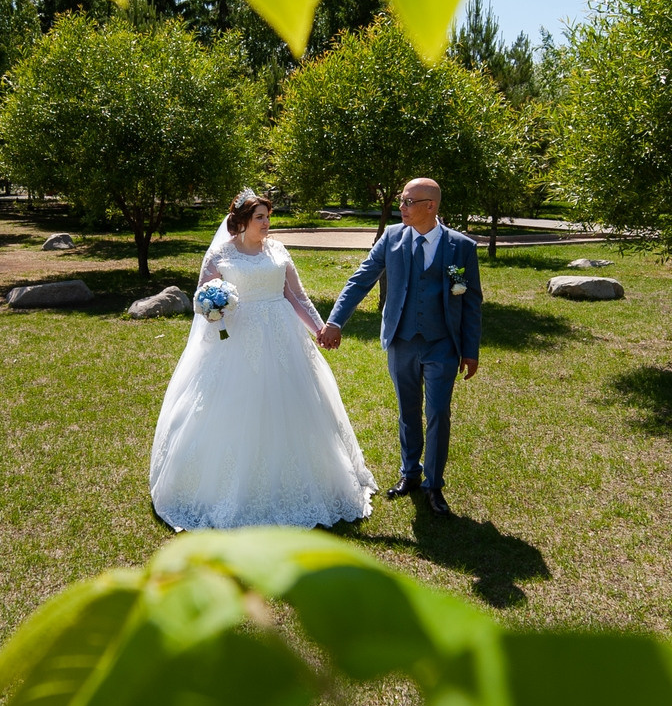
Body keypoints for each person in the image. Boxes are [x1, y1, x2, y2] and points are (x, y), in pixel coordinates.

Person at [148, 189, 377, 531]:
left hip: (282, 335)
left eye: (269, 217)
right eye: (260, 218)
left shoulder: (278, 250)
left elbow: (296, 295)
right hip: (236, 339)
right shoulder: (221, 255)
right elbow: (202, 300)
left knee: (292, 403)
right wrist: (215, 309)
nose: (267, 223)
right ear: (241, 222)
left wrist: (319, 328)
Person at [319, 177, 482, 518]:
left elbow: (470, 301)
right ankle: (410, 474)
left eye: (409, 202)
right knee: (408, 412)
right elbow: (361, 279)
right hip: (402, 341)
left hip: (443, 344)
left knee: (438, 413)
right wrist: (335, 321)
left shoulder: (461, 247)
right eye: (402, 201)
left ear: (430, 206)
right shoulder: (392, 237)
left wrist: (470, 349)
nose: (402, 207)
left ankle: (433, 485)